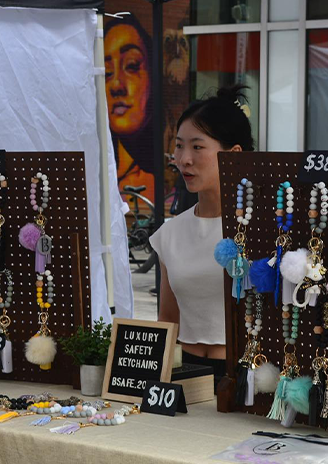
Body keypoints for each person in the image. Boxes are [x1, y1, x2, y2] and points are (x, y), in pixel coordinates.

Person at [149, 85, 255, 385]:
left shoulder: (258, 229)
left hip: (248, 375)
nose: (184, 159)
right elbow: (168, 320)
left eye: (197, 147)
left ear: (233, 154)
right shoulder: (170, 233)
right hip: (188, 376)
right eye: (179, 146)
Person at [104, 14, 155, 202]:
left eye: (132, 66)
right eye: (107, 72)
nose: (116, 85)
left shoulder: (168, 184)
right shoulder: (96, 177)